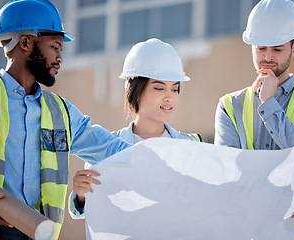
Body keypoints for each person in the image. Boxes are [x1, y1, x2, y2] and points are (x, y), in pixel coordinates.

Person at [0, 0, 131, 239]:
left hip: (40, 232)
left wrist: (166, 156)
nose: (60, 58)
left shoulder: (59, 112)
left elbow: (112, 149)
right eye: (55, 47)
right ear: (25, 43)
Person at [214, 0, 294, 239]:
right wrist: (287, 187)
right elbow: (228, 175)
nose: (268, 57)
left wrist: (268, 102)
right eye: (260, 48)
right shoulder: (230, 106)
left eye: (277, 49)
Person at [68, 38, 203, 219]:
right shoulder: (105, 147)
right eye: (159, 88)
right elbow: (90, 214)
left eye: (175, 89)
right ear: (136, 91)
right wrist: (81, 196)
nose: (169, 97)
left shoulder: (192, 146)